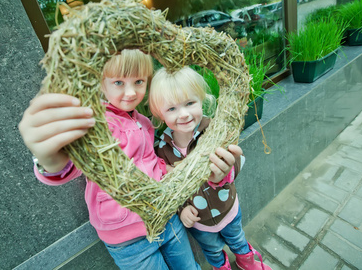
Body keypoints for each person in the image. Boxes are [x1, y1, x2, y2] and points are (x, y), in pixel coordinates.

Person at [18, 49, 243, 270]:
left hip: (166, 218)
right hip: (127, 235)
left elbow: (151, 163)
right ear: (101, 82)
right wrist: (48, 160)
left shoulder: (144, 123)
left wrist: (174, 170)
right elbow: (74, 163)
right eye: (118, 82)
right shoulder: (97, 126)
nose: (130, 92)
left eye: (138, 81)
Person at [149, 66, 272, 270]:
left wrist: (225, 173)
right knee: (212, 250)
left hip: (227, 207)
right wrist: (181, 211)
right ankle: (220, 266)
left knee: (237, 239)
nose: (184, 114)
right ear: (159, 114)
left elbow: (237, 161)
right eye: (172, 109)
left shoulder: (214, 130)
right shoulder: (162, 150)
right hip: (199, 222)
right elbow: (169, 188)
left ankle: (246, 260)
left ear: (201, 99)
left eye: (190, 103)